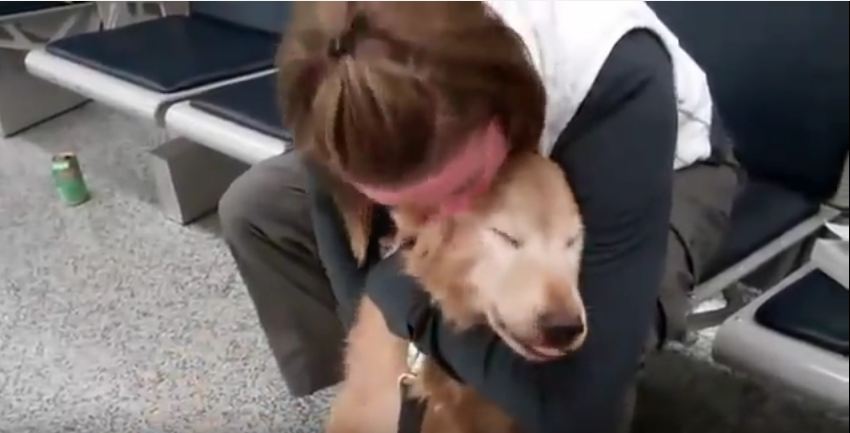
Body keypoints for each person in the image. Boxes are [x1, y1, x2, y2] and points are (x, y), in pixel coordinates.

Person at [218, 2, 743, 432]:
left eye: (462, 188)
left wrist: (401, 299)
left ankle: (505, 393)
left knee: (580, 386)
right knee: (257, 209)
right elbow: (332, 209)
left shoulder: (617, 69)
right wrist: (375, 342)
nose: (435, 222)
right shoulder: (332, 63)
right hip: (447, 132)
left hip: (665, 162)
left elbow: (584, 410)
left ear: (505, 117)